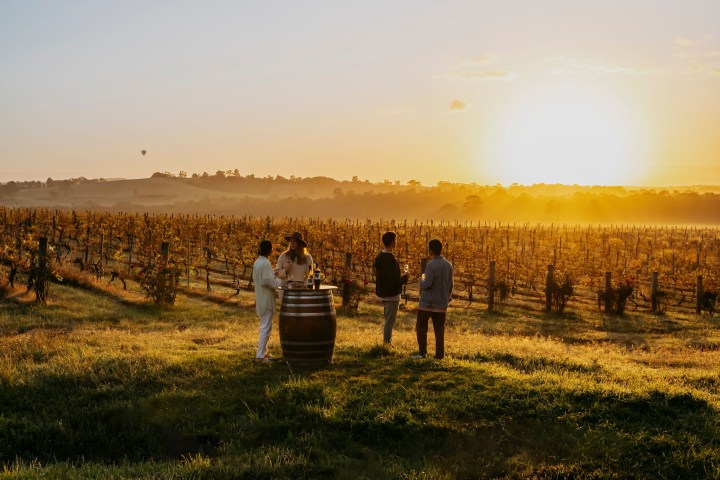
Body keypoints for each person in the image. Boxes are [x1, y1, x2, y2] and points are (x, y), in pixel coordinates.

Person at [413, 239, 453, 359]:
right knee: (439, 330)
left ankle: (422, 353)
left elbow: (427, 284)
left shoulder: (431, 265)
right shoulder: (448, 265)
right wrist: (447, 297)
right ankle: (440, 355)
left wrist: (421, 280)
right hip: (441, 303)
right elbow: (450, 284)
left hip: (427, 303)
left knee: (421, 327)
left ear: (430, 250)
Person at [374, 231, 408, 345]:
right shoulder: (390, 259)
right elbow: (395, 281)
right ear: (392, 242)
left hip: (383, 292)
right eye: (395, 240)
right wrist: (405, 277)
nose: (396, 242)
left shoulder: (380, 256)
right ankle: (387, 344)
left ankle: (386, 342)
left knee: (387, 319)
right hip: (392, 295)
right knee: (389, 321)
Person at [252, 240, 282, 364]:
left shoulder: (258, 262)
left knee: (264, 325)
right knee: (265, 327)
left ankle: (263, 352)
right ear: (270, 250)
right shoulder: (265, 263)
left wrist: (273, 275)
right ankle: (260, 356)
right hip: (266, 299)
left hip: (260, 297)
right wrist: (280, 281)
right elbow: (267, 281)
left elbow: (264, 278)